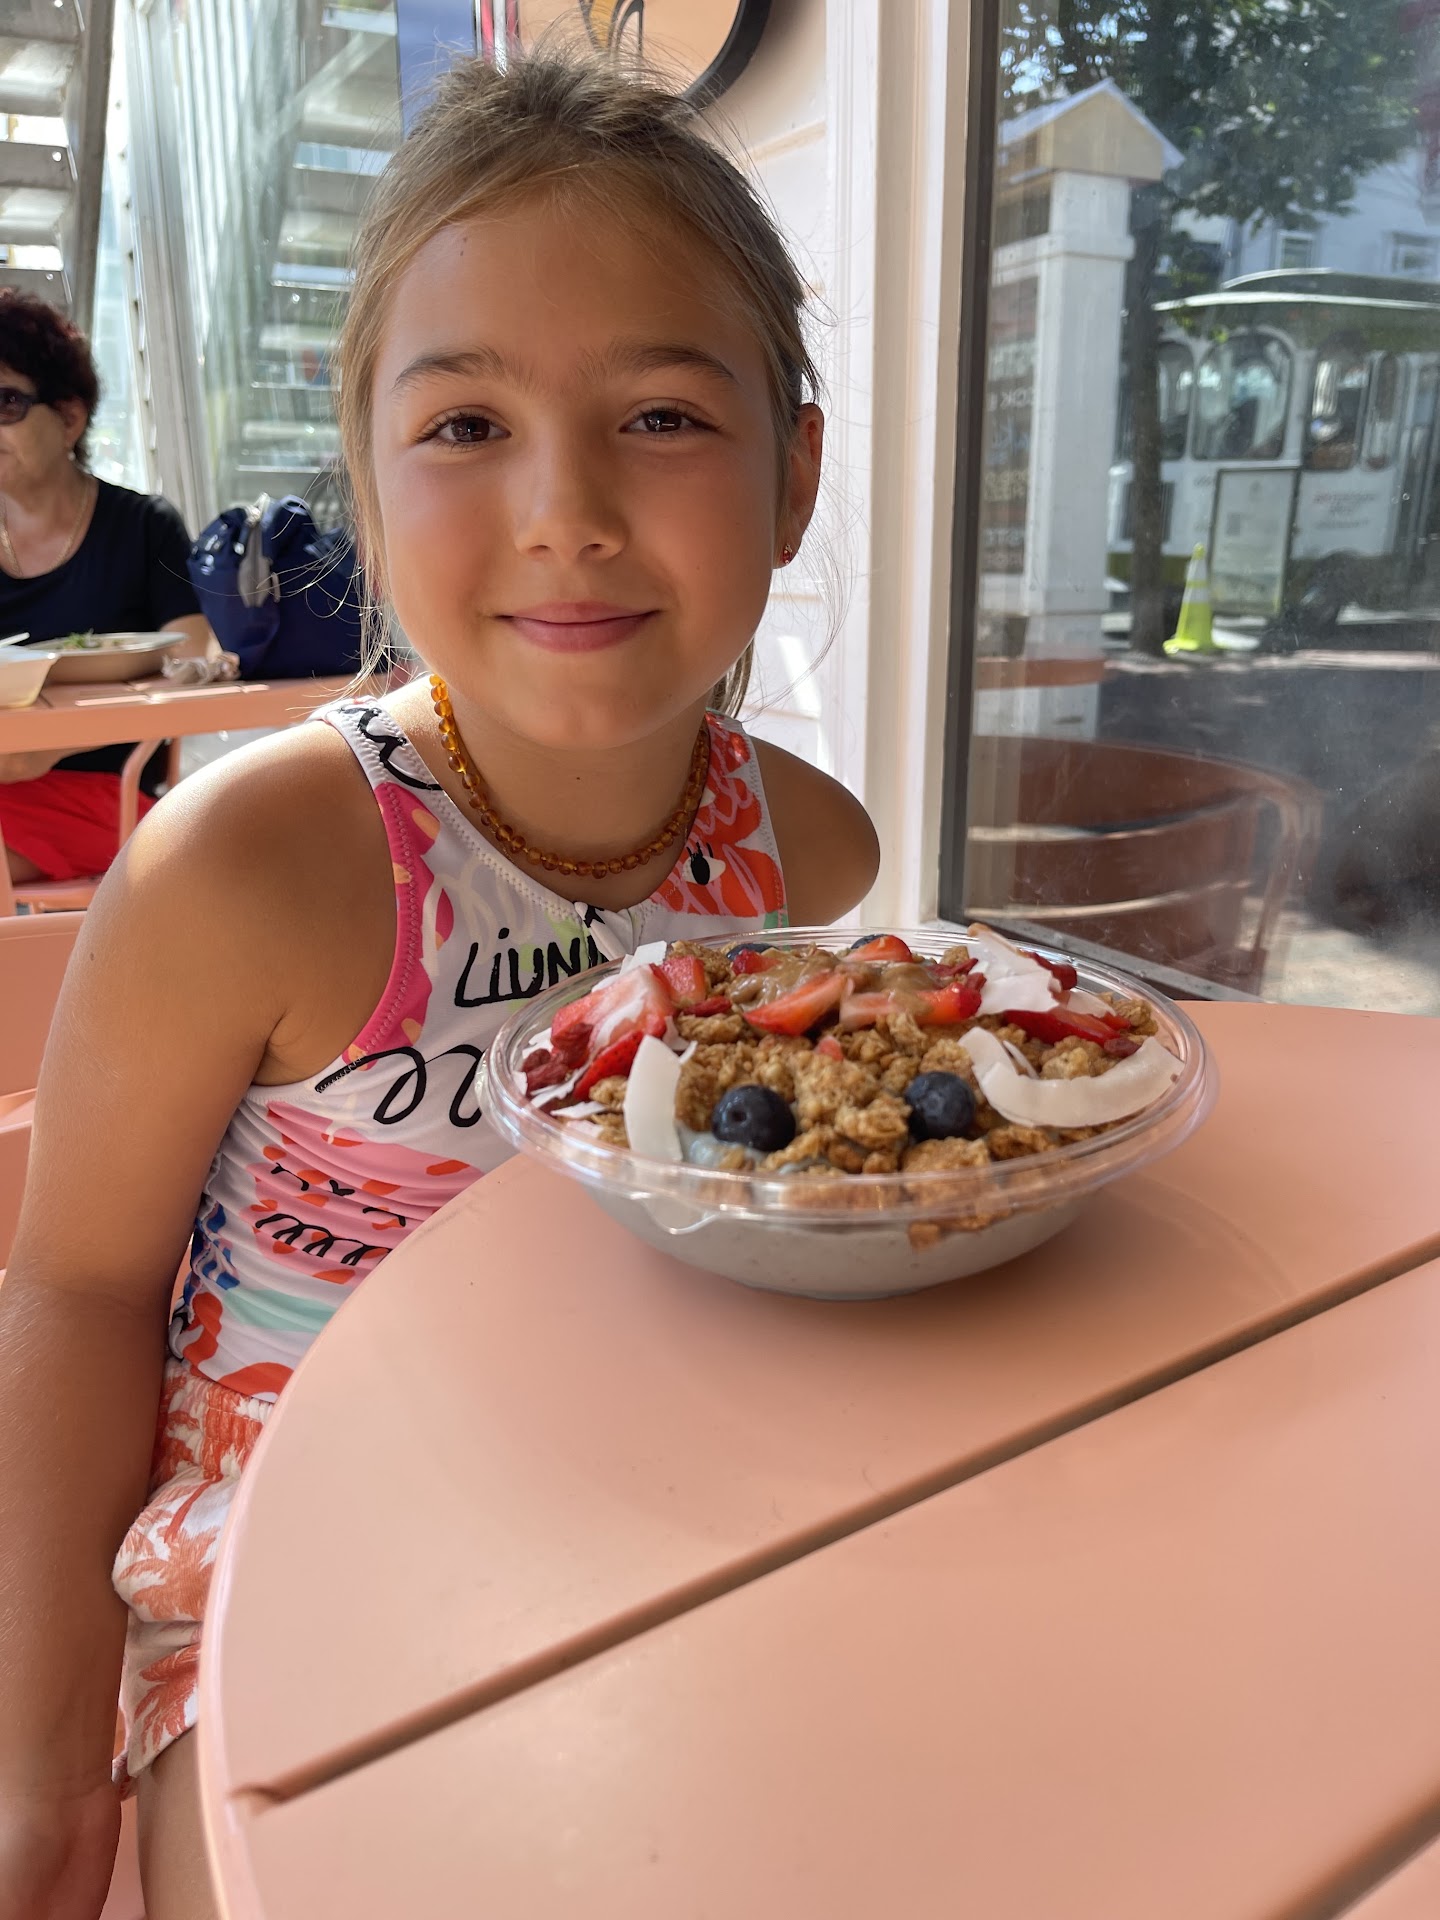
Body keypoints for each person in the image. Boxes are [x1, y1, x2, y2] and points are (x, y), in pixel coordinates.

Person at [0, 54, 879, 1920]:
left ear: (795, 475)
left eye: (661, 415)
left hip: (658, 1551)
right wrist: (43, 1762)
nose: (566, 508)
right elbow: (77, 1291)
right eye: (469, 423)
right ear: (371, 482)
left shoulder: (809, 858)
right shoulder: (248, 870)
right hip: (273, 1604)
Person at [0, 291, 210, 887]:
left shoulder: (144, 527)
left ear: (70, 418)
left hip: (113, 796)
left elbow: (191, 662)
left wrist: (54, 741)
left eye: (6, 402)